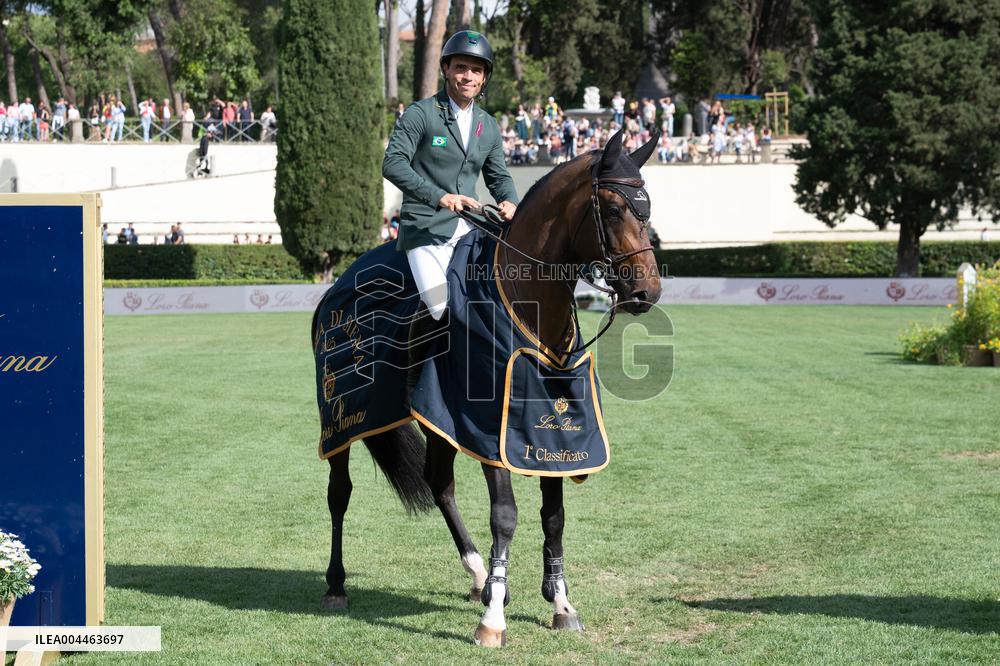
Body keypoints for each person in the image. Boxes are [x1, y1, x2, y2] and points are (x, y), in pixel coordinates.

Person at [382, 29, 519, 396]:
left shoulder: (487, 125)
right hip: (425, 229)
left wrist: (510, 200)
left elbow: (498, 176)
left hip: (470, 230)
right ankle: (412, 386)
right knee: (441, 306)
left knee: (492, 306)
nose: (468, 76)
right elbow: (393, 164)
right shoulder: (421, 114)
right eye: (461, 67)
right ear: (446, 69)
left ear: (485, 77)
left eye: (476, 70)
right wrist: (440, 196)